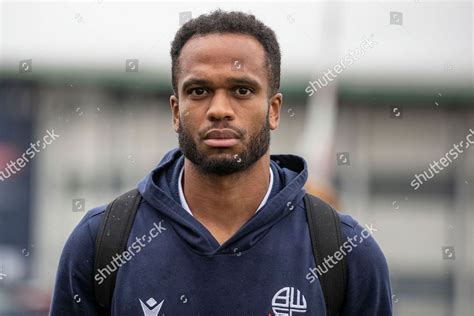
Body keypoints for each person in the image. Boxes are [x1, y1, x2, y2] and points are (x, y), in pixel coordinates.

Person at [50, 9, 392, 315]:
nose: (219, 110)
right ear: (175, 111)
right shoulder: (102, 242)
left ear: (273, 110)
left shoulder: (346, 252)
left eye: (242, 90)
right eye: (199, 91)